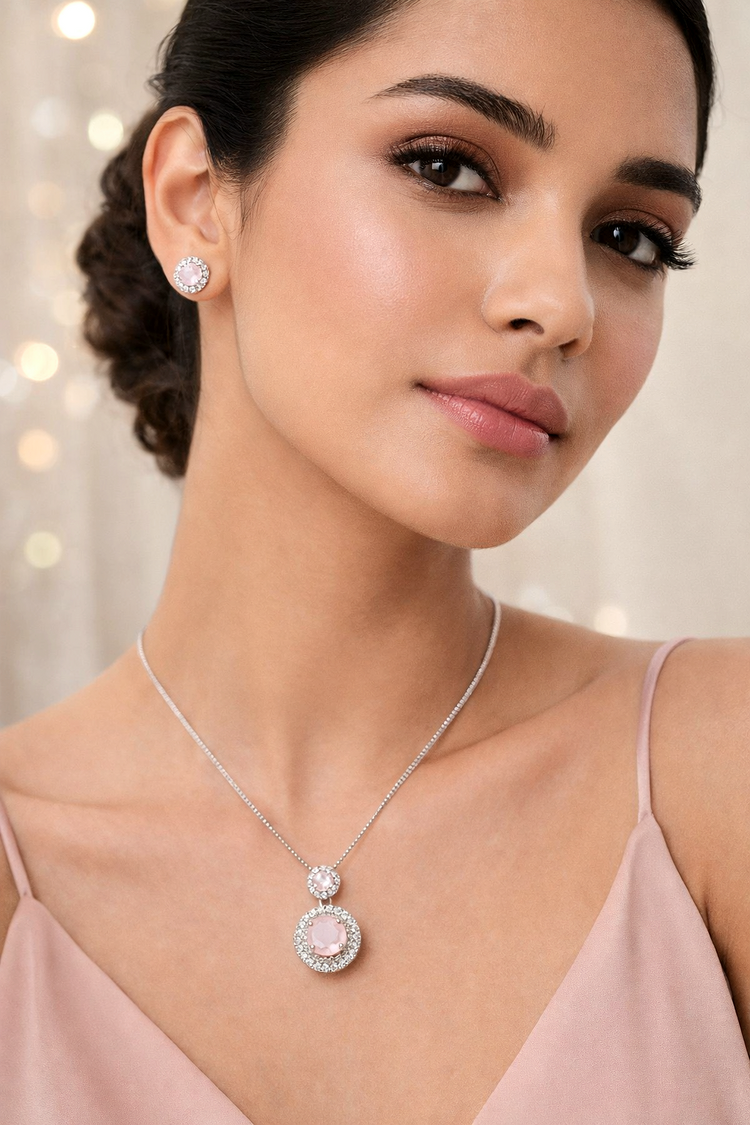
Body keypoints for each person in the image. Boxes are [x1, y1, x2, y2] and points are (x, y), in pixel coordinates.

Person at [1, 0, 749, 1120]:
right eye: (448, 166)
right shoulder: (23, 870)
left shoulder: (715, 768)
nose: (560, 304)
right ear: (196, 200)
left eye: (630, 235)